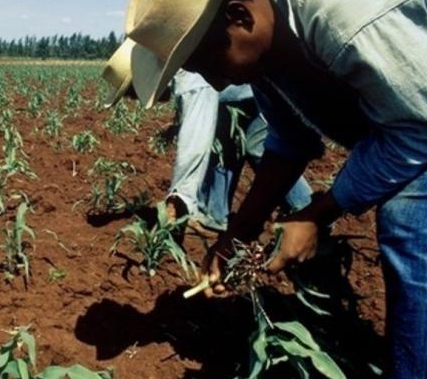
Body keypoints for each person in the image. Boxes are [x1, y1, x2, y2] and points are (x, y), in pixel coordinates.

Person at [111, 0, 427, 379]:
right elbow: (290, 143)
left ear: (240, 17)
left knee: (416, 215)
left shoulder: (341, 10)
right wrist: (235, 234)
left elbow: (421, 127)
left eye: (209, 64)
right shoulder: (271, 38)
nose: (214, 83)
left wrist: (317, 213)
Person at [101, 45, 312, 237]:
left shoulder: (187, 74)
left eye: (133, 92)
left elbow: (195, 143)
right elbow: (198, 107)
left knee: (261, 149)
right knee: (226, 140)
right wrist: (176, 125)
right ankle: (214, 218)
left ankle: (310, 215)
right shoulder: (177, 64)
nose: (138, 98)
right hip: (247, 93)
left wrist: (179, 197)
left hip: (270, 87)